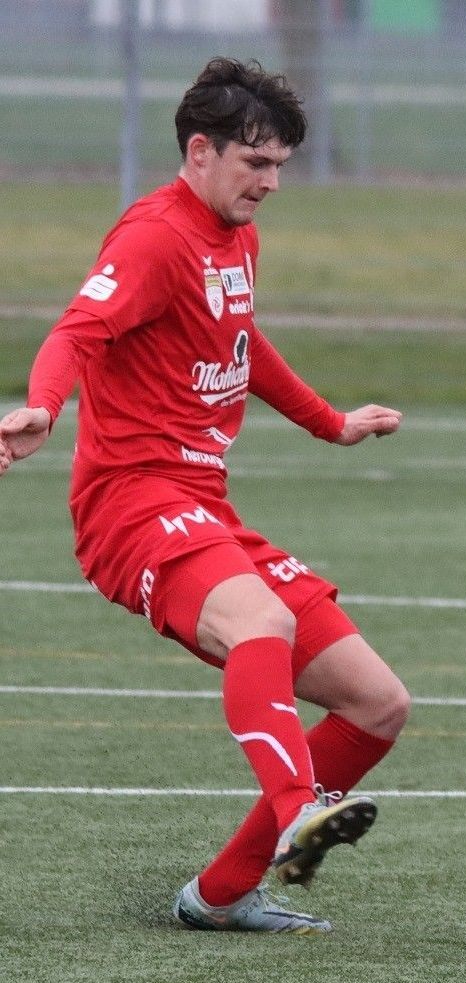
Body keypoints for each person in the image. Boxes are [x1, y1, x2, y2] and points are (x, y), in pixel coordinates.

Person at [0, 58, 410, 935]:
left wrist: (330, 423)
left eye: (279, 166)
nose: (270, 183)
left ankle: (221, 893)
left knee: (377, 701)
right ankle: (297, 809)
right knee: (261, 619)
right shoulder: (154, 238)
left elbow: (241, 341)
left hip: (201, 507)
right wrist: (43, 405)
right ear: (199, 151)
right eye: (255, 163)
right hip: (129, 505)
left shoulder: (237, 238)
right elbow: (77, 330)